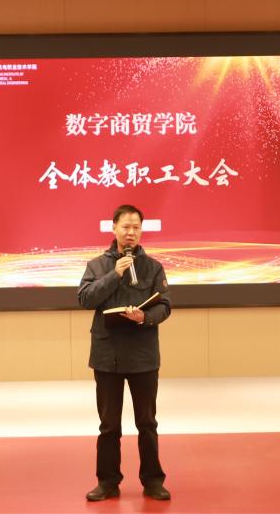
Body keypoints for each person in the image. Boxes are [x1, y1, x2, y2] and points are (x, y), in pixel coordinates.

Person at [78, 204, 172, 502]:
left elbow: (165, 305)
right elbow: (85, 299)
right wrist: (113, 275)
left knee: (147, 423)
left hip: (143, 355)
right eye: (126, 227)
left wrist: (145, 317)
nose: (131, 233)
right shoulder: (97, 265)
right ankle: (107, 482)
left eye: (136, 227)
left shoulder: (153, 267)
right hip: (108, 355)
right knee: (109, 425)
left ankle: (153, 481)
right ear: (114, 228)